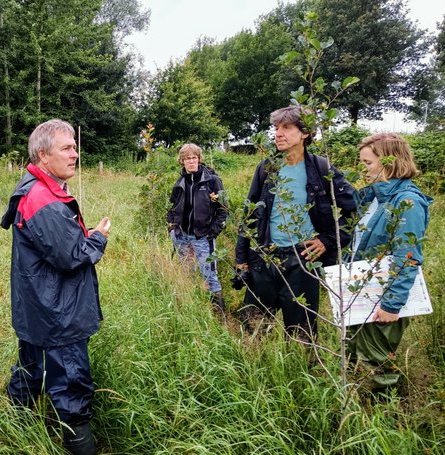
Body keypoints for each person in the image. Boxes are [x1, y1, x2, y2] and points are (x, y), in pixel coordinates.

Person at [0, 119, 110, 455]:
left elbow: (56, 247)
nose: (75, 154)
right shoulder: (41, 196)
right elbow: (71, 256)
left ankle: (12, 436)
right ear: (43, 154)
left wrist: (82, 237)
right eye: (67, 148)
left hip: (40, 310)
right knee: (71, 387)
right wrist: (98, 238)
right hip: (59, 316)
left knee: (30, 373)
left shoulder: (39, 188)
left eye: (74, 147)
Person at [235, 105, 356, 341]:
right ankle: (254, 369)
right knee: (253, 327)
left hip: (303, 261)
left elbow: (352, 210)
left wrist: (328, 240)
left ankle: (301, 369)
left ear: (305, 133)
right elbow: (250, 213)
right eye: (276, 128)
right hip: (265, 257)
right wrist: (242, 259)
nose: (278, 133)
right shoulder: (267, 168)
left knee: (302, 332)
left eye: (286, 127)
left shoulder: (322, 169)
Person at [347, 133, 432, 392]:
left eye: (368, 162)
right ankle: (356, 403)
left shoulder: (407, 201)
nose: (364, 169)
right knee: (355, 350)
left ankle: (384, 414)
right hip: (361, 291)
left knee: (378, 361)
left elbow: (407, 258)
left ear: (389, 162)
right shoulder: (373, 197)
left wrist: (391, 305)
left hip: (382, 296)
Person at [167, 143, 228, 312]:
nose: (191, 161)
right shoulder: (180, 181)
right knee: (187, 273)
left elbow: (223, 210)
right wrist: (172, 226)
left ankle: (219, 315)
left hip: (203, 237)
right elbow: (172, 206)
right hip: (181, 236)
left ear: (199, 159)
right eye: (187, 158)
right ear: (182, 161)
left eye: (194, 158)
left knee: (210, 275)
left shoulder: (212, 181)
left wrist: (212, 232)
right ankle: (192, 310)